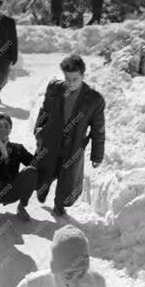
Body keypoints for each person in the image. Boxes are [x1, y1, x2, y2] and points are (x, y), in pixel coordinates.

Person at [33, 54, 105, 217]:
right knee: (46, 170)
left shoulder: (94, 99)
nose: (71, 83)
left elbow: (98, 129)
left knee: (67, 179)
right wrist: (38, 129)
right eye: (67, 79)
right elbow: (44, 110)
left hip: (73, 146)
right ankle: (42, 190)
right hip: (51, 139)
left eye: (75, 79)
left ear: (83, 75)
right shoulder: (55, 88)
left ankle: (59, 205)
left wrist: (97, 155)